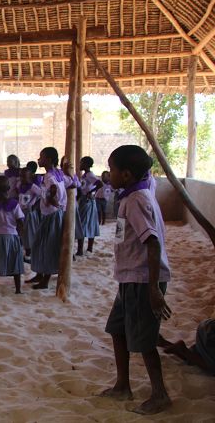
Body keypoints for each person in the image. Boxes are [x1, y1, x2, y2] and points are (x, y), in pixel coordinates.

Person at [100, 144, 172, 415]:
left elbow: (152, 242)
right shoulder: (134, 193)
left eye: (112, 169)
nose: (109, 174)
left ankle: (160, 394)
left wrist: (154, 289)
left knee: (144, 340)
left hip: (143, 280)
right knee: (117, 329)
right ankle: (122, 385)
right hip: (129, 277)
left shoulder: (136, 201)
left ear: (127, 174)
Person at [28, 147, 76, 290]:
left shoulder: (49, 176)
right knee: (40, 244)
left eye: (41, 157)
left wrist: (52, 200)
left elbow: (52, 190)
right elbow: (73, 183)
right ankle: (40, 274)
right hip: (52, 213)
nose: (39, 159)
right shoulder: (59, 173)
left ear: (48, 160)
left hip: (52, 215)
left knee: (48, 246)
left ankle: (45, 280)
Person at [76, 156, 102, 256]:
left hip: (87, 201)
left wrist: (90, 192)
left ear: (86, 164)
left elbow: (100, 184)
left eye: (81, 162)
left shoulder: (90, 175)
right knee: (87, 223)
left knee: (84, 223)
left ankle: (83, 249)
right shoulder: (85, 175)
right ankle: (86, 249)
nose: (80, 164)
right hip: (84, 200)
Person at [17, 167, 41, 263]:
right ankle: (25, 250)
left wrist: (34, 206)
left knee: (29, 233)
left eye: (24, 176)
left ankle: (29, 254)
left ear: (30, 177)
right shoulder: (20, 185)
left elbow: (42, 196)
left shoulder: (33, 187)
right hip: (21, 212)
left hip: (29, 213)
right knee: (22, 232)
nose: (22, 178)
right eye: (20, 176)